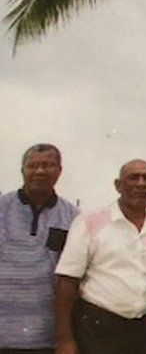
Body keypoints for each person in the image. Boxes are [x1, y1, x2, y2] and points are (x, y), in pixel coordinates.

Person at [54, 159, 146, 354]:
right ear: (118, 185)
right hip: (97, 328)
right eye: (133, 178)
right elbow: (68, 281)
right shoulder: (89, 222)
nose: (140, 184)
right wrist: (65, 339)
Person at [0, 144, 80, 353]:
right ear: (22, 170)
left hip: (46, 337)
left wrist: (65, 339)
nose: (40, 171)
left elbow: (72, 279)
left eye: (47, 165)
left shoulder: (74, 218)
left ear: (59, 170)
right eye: (33, 165)